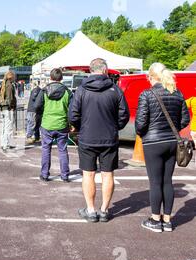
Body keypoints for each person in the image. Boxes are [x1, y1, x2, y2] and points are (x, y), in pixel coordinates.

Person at [69, 58, 130, 223]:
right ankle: (104, 210)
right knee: (107, 174)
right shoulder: (115, 90)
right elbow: (124, 115)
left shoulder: (81, 90)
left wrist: (81, 126)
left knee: (88, 174)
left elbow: (73, 115)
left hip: (87, 138)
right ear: (105, 70)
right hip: (109, 138)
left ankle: (90, 210)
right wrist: (114, 127)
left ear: (90, 71)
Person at [136, 63, 190, 233]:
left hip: (153, 142)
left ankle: (155, 219)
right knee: (167, 181)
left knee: (155, 182)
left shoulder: (146, 94)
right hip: (172, 141)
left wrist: (143, 133)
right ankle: (167, 220)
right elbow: (184, 120)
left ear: (151, 76)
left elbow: (141, 123)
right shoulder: (177, 93)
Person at [35, 69, 72, 183]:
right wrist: (71, 123)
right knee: (62, 150)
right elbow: (72, 109)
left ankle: (44, 174)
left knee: (46, 149)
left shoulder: (44, 90)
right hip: (62, 124)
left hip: (47, 124)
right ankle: (65, 175)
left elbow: (36, 106)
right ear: (61, 78)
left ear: (50, 78)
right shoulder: (67, 92)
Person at [0, 71, 17, 153]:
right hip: (8, 108)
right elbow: (10, 98)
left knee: (4, 127)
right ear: (11, 77)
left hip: (3, 108)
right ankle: (5, 145)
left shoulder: (4, 84)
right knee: (8, 128)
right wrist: (11, 107)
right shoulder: (9, 85)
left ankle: (4, 143)